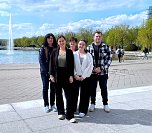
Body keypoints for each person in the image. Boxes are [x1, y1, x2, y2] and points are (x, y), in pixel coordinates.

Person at [49, 35, 76, 123]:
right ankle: (61, 113)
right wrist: (51, 75)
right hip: (57, 76)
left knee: (69, 96)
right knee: (58, 95)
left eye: (63, 41)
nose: (61, 42)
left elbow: (72, 65)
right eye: (60, 41)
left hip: (66, 76)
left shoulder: (69, 52)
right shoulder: (54, 51)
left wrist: (71, 76)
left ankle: (70, 115)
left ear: (65, 41)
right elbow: (51, 64)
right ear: (58, 42)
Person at [87, 31, 112, 113]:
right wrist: (93, 68)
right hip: (92, 72)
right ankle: (92, 103)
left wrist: (101, 68)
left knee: (104, 88)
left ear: (101, 37)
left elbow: (109, 59)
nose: (98, 38)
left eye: (99, 36)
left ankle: (105, 104)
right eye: (96, 36)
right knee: (92, 89)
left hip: (103, 72)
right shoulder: (89, 48)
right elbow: (87, 60)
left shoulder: (106, 47)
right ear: (94, 37)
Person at [73, 39, 93, 118]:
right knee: (74, 94)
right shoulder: (74, 54)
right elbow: (71, 66)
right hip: (76, 77)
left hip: (85, 78)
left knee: (85, 94)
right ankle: (73, 108)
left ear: (85, 46)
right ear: (77, 45)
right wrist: (75, 75)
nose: (81, 46)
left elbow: (90, 67)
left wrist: (83, 76)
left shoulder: (89, 55)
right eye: (80, 44)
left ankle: (83, 110)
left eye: (83, 44)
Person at [39, 33, 57, 113]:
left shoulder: (56, 48)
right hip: (45, 72)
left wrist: (53, 73)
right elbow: (41, 62)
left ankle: (52, 104)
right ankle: (46, 104)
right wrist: (48, 73)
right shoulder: (43, 48)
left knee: (53, 89)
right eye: (49, 38)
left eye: (52, 38)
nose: (50, 39)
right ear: (46, 39)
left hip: (54, 72)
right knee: (45, 88)